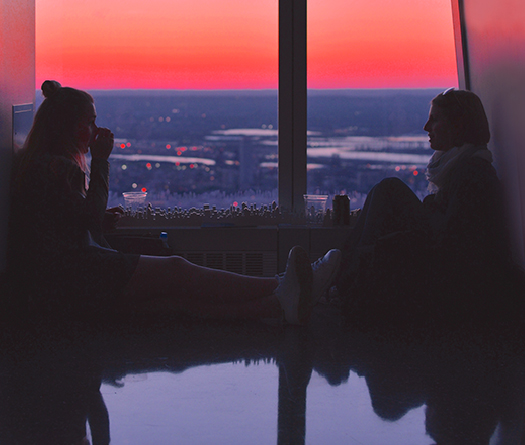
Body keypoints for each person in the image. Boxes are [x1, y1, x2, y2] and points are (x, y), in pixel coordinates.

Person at [7, 80, 341, 325]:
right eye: (89, 122)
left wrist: (93, 218)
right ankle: (286, 284)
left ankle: (280, 305)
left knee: (170, 302)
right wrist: (101, 162)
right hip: (76, 274)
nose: (96, 129)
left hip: (52, 285)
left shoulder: (39, 164)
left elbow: (66, 222)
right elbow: (86, 221)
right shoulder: (60, 167)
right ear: (69, 126)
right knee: (175, 270)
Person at [336, 88, 521, 328]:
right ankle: (339, 277)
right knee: (385, 191)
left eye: (435, 120)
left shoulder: (473, 173)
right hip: (446, 263)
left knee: (389, 189)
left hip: (456, 279)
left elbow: (451, 241)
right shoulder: (461, 168)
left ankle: (341, 277)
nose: (426, 127)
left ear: (458, 125)